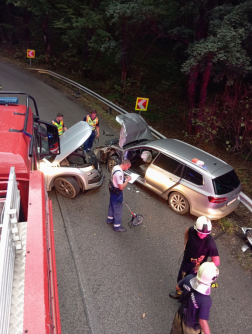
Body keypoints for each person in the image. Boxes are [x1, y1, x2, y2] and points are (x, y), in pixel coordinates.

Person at [169, 216, 220, 299]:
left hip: (197, 267)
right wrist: (185, 243)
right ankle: (179, 292)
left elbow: (216, 261)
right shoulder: (192, 230)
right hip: (186, 261)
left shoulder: (210, 243)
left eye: (205, 233)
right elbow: (187, 231)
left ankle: (188, 297)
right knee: (181, 277)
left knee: (192, 282)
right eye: (200, 232)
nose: (202, 235)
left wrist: (202, 266)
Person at [170, 262, 219, 334]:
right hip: (191, 328)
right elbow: (202, 321)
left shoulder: (189, 278)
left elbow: (177, 287)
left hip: (179, 316)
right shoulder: (206, 300)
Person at [107, 159, 132, 232]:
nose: (128, 169)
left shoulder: (116, 167)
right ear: (126, 165)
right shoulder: (119, 174)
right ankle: (117, 227)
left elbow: (117, 178)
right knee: (118, 208)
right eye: (128, 167)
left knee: (112, 205)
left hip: (112, 189)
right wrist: (127, 180)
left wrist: (124, 177)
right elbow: (121, 187)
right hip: (117, 193)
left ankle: (109, 219)